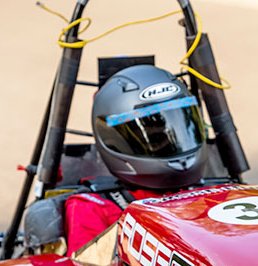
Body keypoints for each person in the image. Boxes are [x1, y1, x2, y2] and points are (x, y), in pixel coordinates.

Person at [61, 64, 209, 255]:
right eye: (153, 135)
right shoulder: (92, 209)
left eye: (177, 125)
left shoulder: (211, 196)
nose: (167, 138)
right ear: (113, 138)